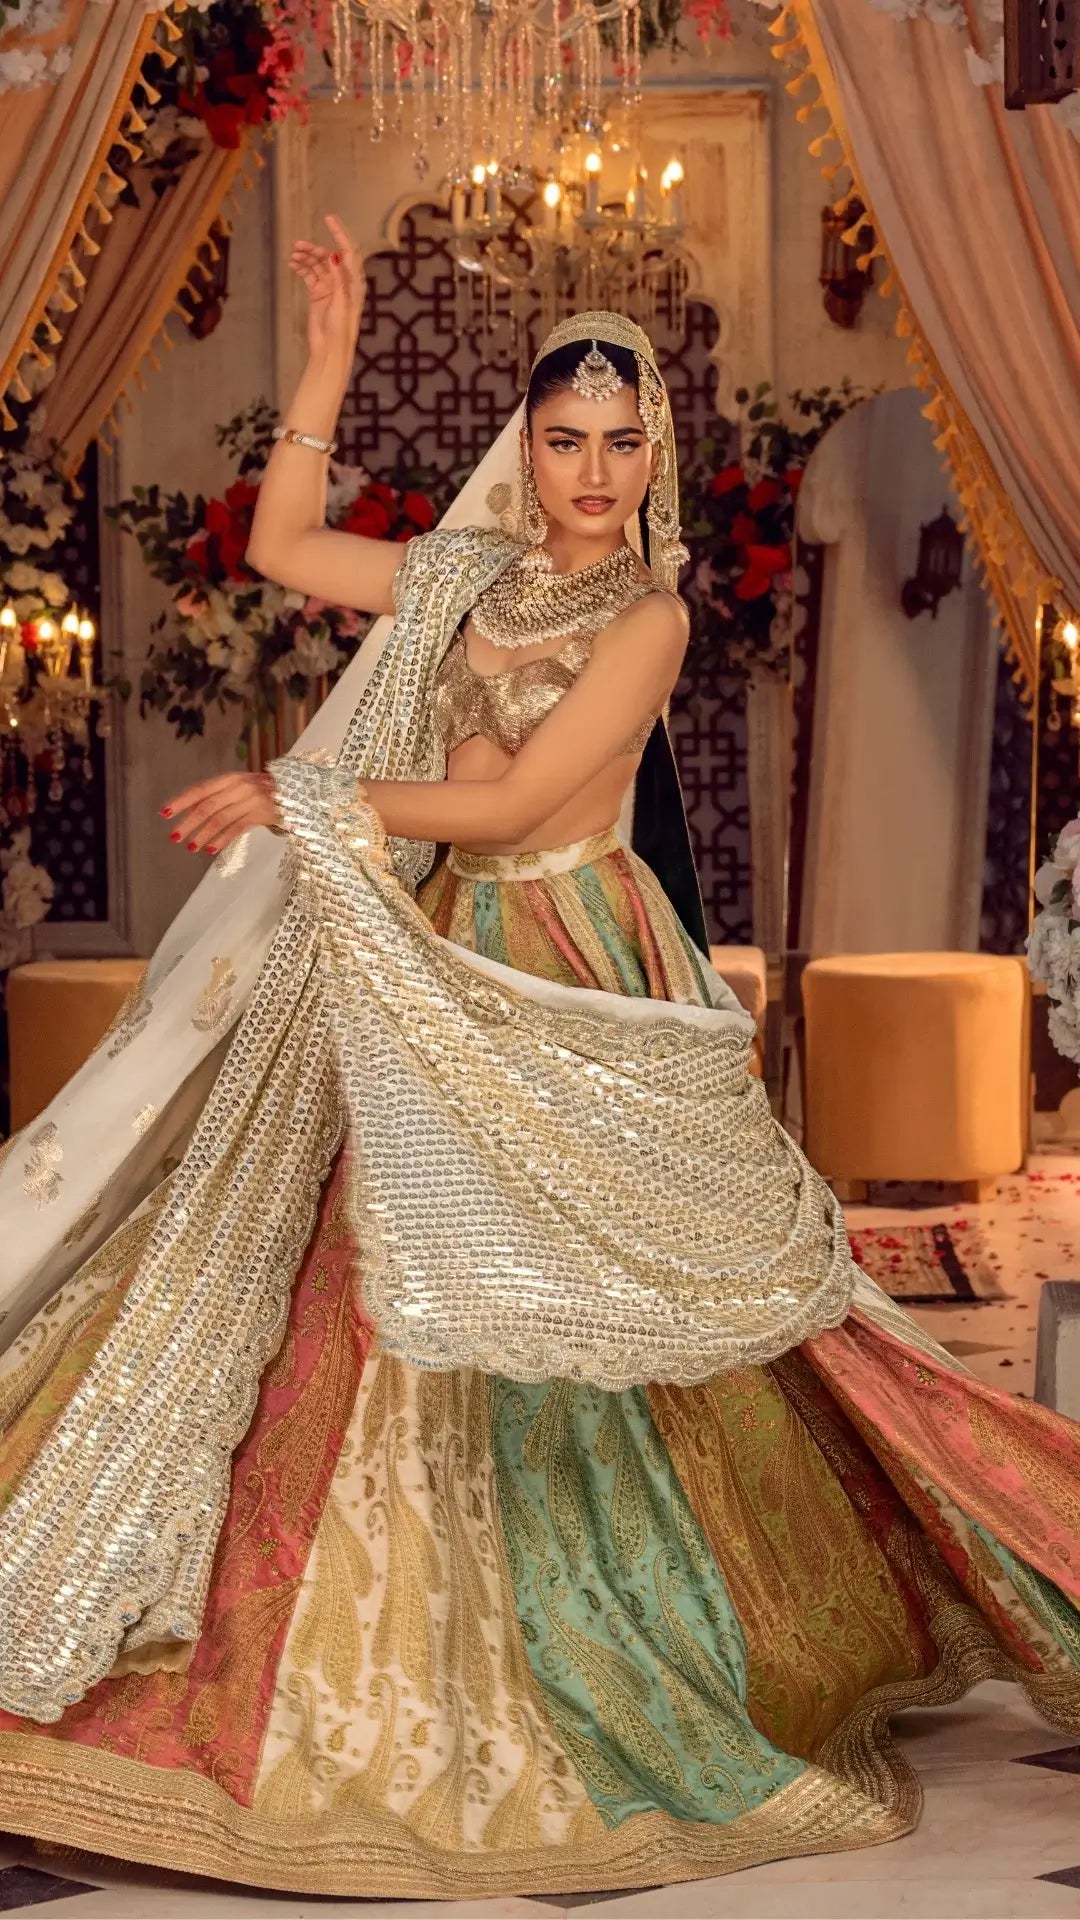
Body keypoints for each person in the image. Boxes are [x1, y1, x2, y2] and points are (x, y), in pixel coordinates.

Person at [0, 218, 1077, 1906]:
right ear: (531, 443)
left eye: (621, 440)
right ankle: (376, 1661)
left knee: (641, 1310)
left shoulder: (646, 617)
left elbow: (511, 806)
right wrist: (329, 361)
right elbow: (288, 541)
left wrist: (311, 797)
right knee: (368, 1288)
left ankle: (686, 1625)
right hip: (437, 956)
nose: (590, 470)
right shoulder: (458, 576)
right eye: (563, 440)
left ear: (659, 452)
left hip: (575, 962)